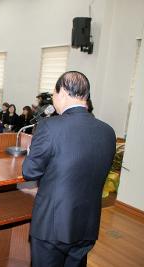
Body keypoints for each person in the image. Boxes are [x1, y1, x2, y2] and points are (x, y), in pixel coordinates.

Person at [22, 71, 116, 267]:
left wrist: (33, 152)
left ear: (63, 92)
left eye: (54, 94)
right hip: (87, 225)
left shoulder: (50, 127)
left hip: (52, 227)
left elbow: (30, 172)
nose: (53, 99)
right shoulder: (108, 131)